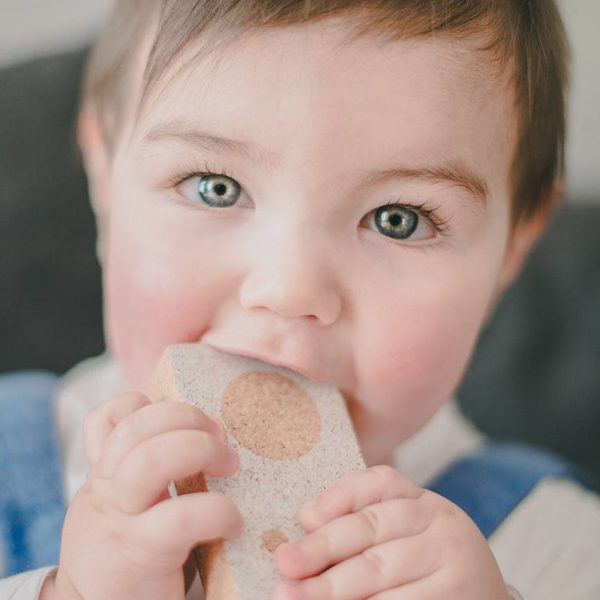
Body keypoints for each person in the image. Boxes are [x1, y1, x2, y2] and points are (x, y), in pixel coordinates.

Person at [1, 0, 599, 598]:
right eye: (216, 187)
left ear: (512, 250)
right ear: (104, 175)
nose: (290, 290)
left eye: (398, 220)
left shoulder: (554, 543)